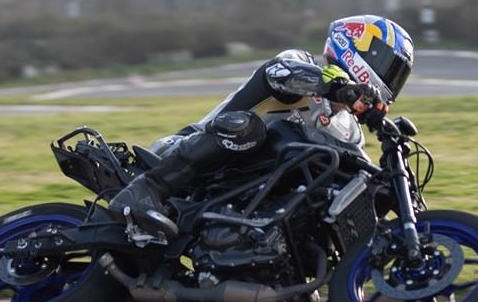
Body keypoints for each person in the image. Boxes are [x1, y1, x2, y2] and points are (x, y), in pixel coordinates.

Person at [110, 14, 415, 237]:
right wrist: (339, 88)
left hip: (244, 197)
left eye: (397, 74)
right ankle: (146, 189)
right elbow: (280, 75)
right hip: (188, 157)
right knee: (249, 128)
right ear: (358, 50)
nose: (390, 79)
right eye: (388, 65)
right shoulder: (300, 63)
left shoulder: (349, 131)